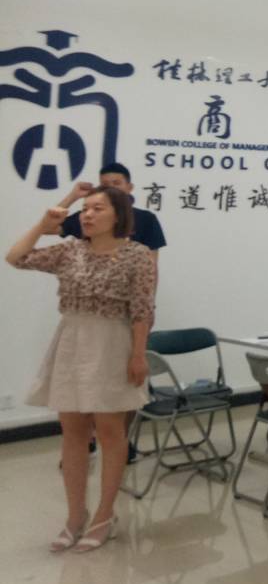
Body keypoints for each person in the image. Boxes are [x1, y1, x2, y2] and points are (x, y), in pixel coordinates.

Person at [6, 187, 157, 553]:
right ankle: (75, 517)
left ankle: (104, 516)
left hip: (113, 344)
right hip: (72, 340)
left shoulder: (138, 255)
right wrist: (44, 224)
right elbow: (16, 257)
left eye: (97, 208)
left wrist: (138, 355)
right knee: (73, 431)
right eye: (85, 209)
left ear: (118, 215)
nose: (87, 215)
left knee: (110, 431)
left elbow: (142, 309)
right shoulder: (70, 249)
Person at [59, 163, 166, 462]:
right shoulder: (88, 217)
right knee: (85, 376)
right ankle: (87, 438)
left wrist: (147, 310)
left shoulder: (146, 220)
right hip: (89, 314)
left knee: (124, 382)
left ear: (130, 187)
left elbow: (152, 267)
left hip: (128, 313)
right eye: (104, 183)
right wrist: (72, 197)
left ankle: (121, 439)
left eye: (117, 182)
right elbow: (49, 225)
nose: (111, 187)